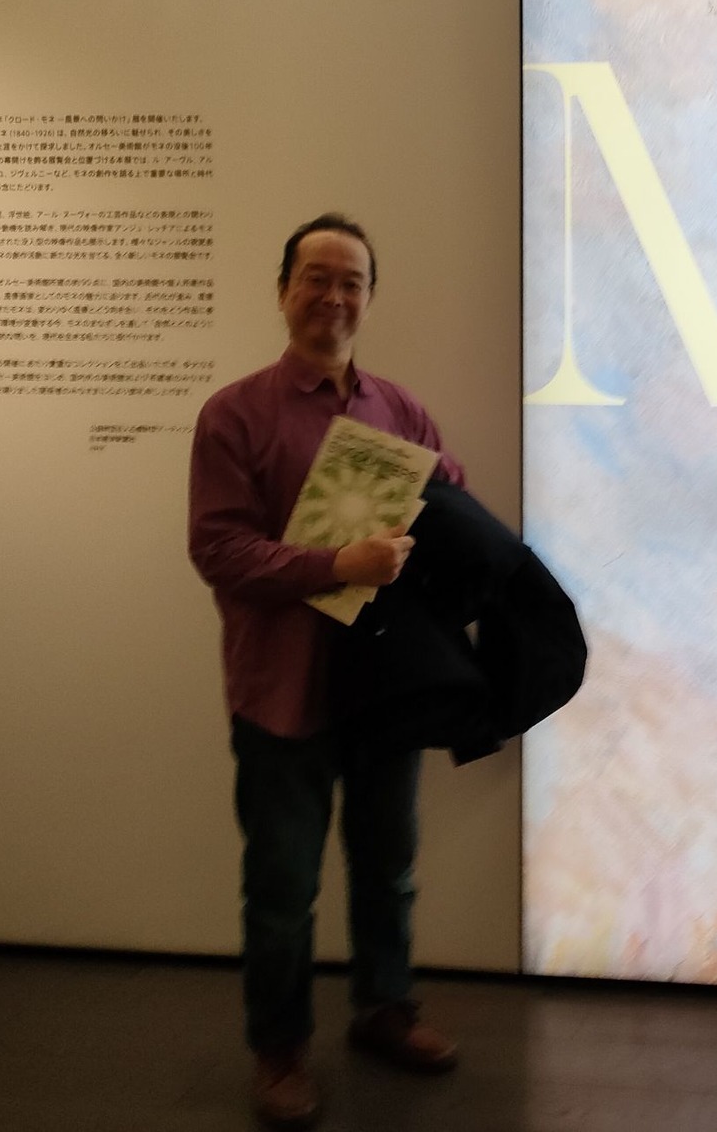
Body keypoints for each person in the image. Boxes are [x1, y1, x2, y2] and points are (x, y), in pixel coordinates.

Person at [188, 213, 463, 1130]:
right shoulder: (234, 414)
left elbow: (453, 505)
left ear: (370, 299)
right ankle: (279, 1052)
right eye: (316, 278)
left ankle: (385, 1009)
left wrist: (432, 521)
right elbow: (219, 549)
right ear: (282, 291)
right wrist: (335, 564)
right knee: (282, 889)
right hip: (282, 690)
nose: (333, 296)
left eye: (351, 281)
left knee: (388, 868)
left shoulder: (402, 412)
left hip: (383, 686)